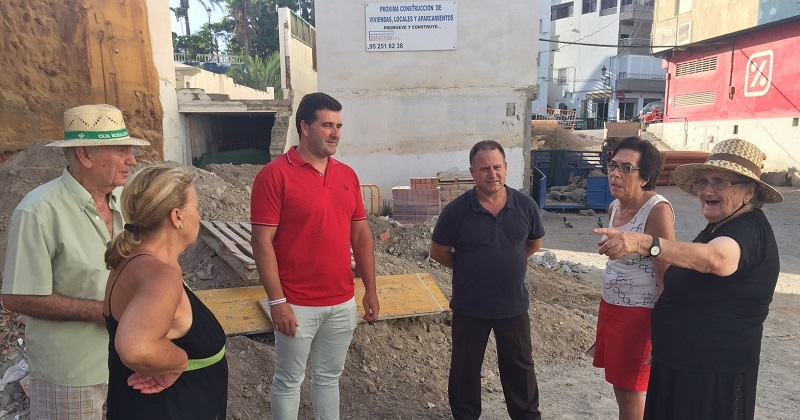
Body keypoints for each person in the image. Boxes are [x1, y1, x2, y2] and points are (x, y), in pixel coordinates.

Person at [595, 138, 784, 420]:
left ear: (749, 191)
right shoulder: (719, 226)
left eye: (720, 182)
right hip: (682, 366)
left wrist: (645, 243)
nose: (707, 190)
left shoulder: (748, 229)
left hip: (710, 377)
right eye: (703, 182)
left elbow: (715, 260)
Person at [1, 104, 148, 419]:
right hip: (71, 374)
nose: (132, 160)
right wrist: (98, 312)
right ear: (85, 156)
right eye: (122, 150)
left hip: (129, 363)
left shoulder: (126, 202)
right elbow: (16, 296)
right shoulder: (38, 211)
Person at [250, 92, 379, 419]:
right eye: (327, 125)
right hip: (296, 303)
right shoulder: (274, 175)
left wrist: (371, 290)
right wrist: (277, 302)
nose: (335, 133)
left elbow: (361, 235)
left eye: (338, 126)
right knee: (289, 379)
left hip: (341, 301)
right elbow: (262, 241)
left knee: (328, 379)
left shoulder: (347, 175)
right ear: (304, 127)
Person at [430, 140, 545, 420]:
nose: (491, 174)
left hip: (513, 305)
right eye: (484, 168)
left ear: (506, 168)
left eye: (497, 167)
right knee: (465, 369)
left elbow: (534, 243)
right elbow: (439, 252)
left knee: (520, 369)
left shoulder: (525, 206)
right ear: (472, 172)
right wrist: (471, 269)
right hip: (471, 307)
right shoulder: (456, 211)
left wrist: (508, 261)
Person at [103, 164, 228, 419]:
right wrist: (178, 362)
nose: (200, 216)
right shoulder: (161, 276)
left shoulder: (132, 261)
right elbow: (134, 347)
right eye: (197, 208)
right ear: (177, 217)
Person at [592, 137, 675, 420]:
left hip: (640, 315)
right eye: (612, 165)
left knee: (630, 389)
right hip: (613, 307)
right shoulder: (615, 207)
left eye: (626, 168)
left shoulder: (657, 210)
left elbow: (667, 272)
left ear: (645, 178)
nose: (615, 173)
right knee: (618, 384)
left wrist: (664, 329)